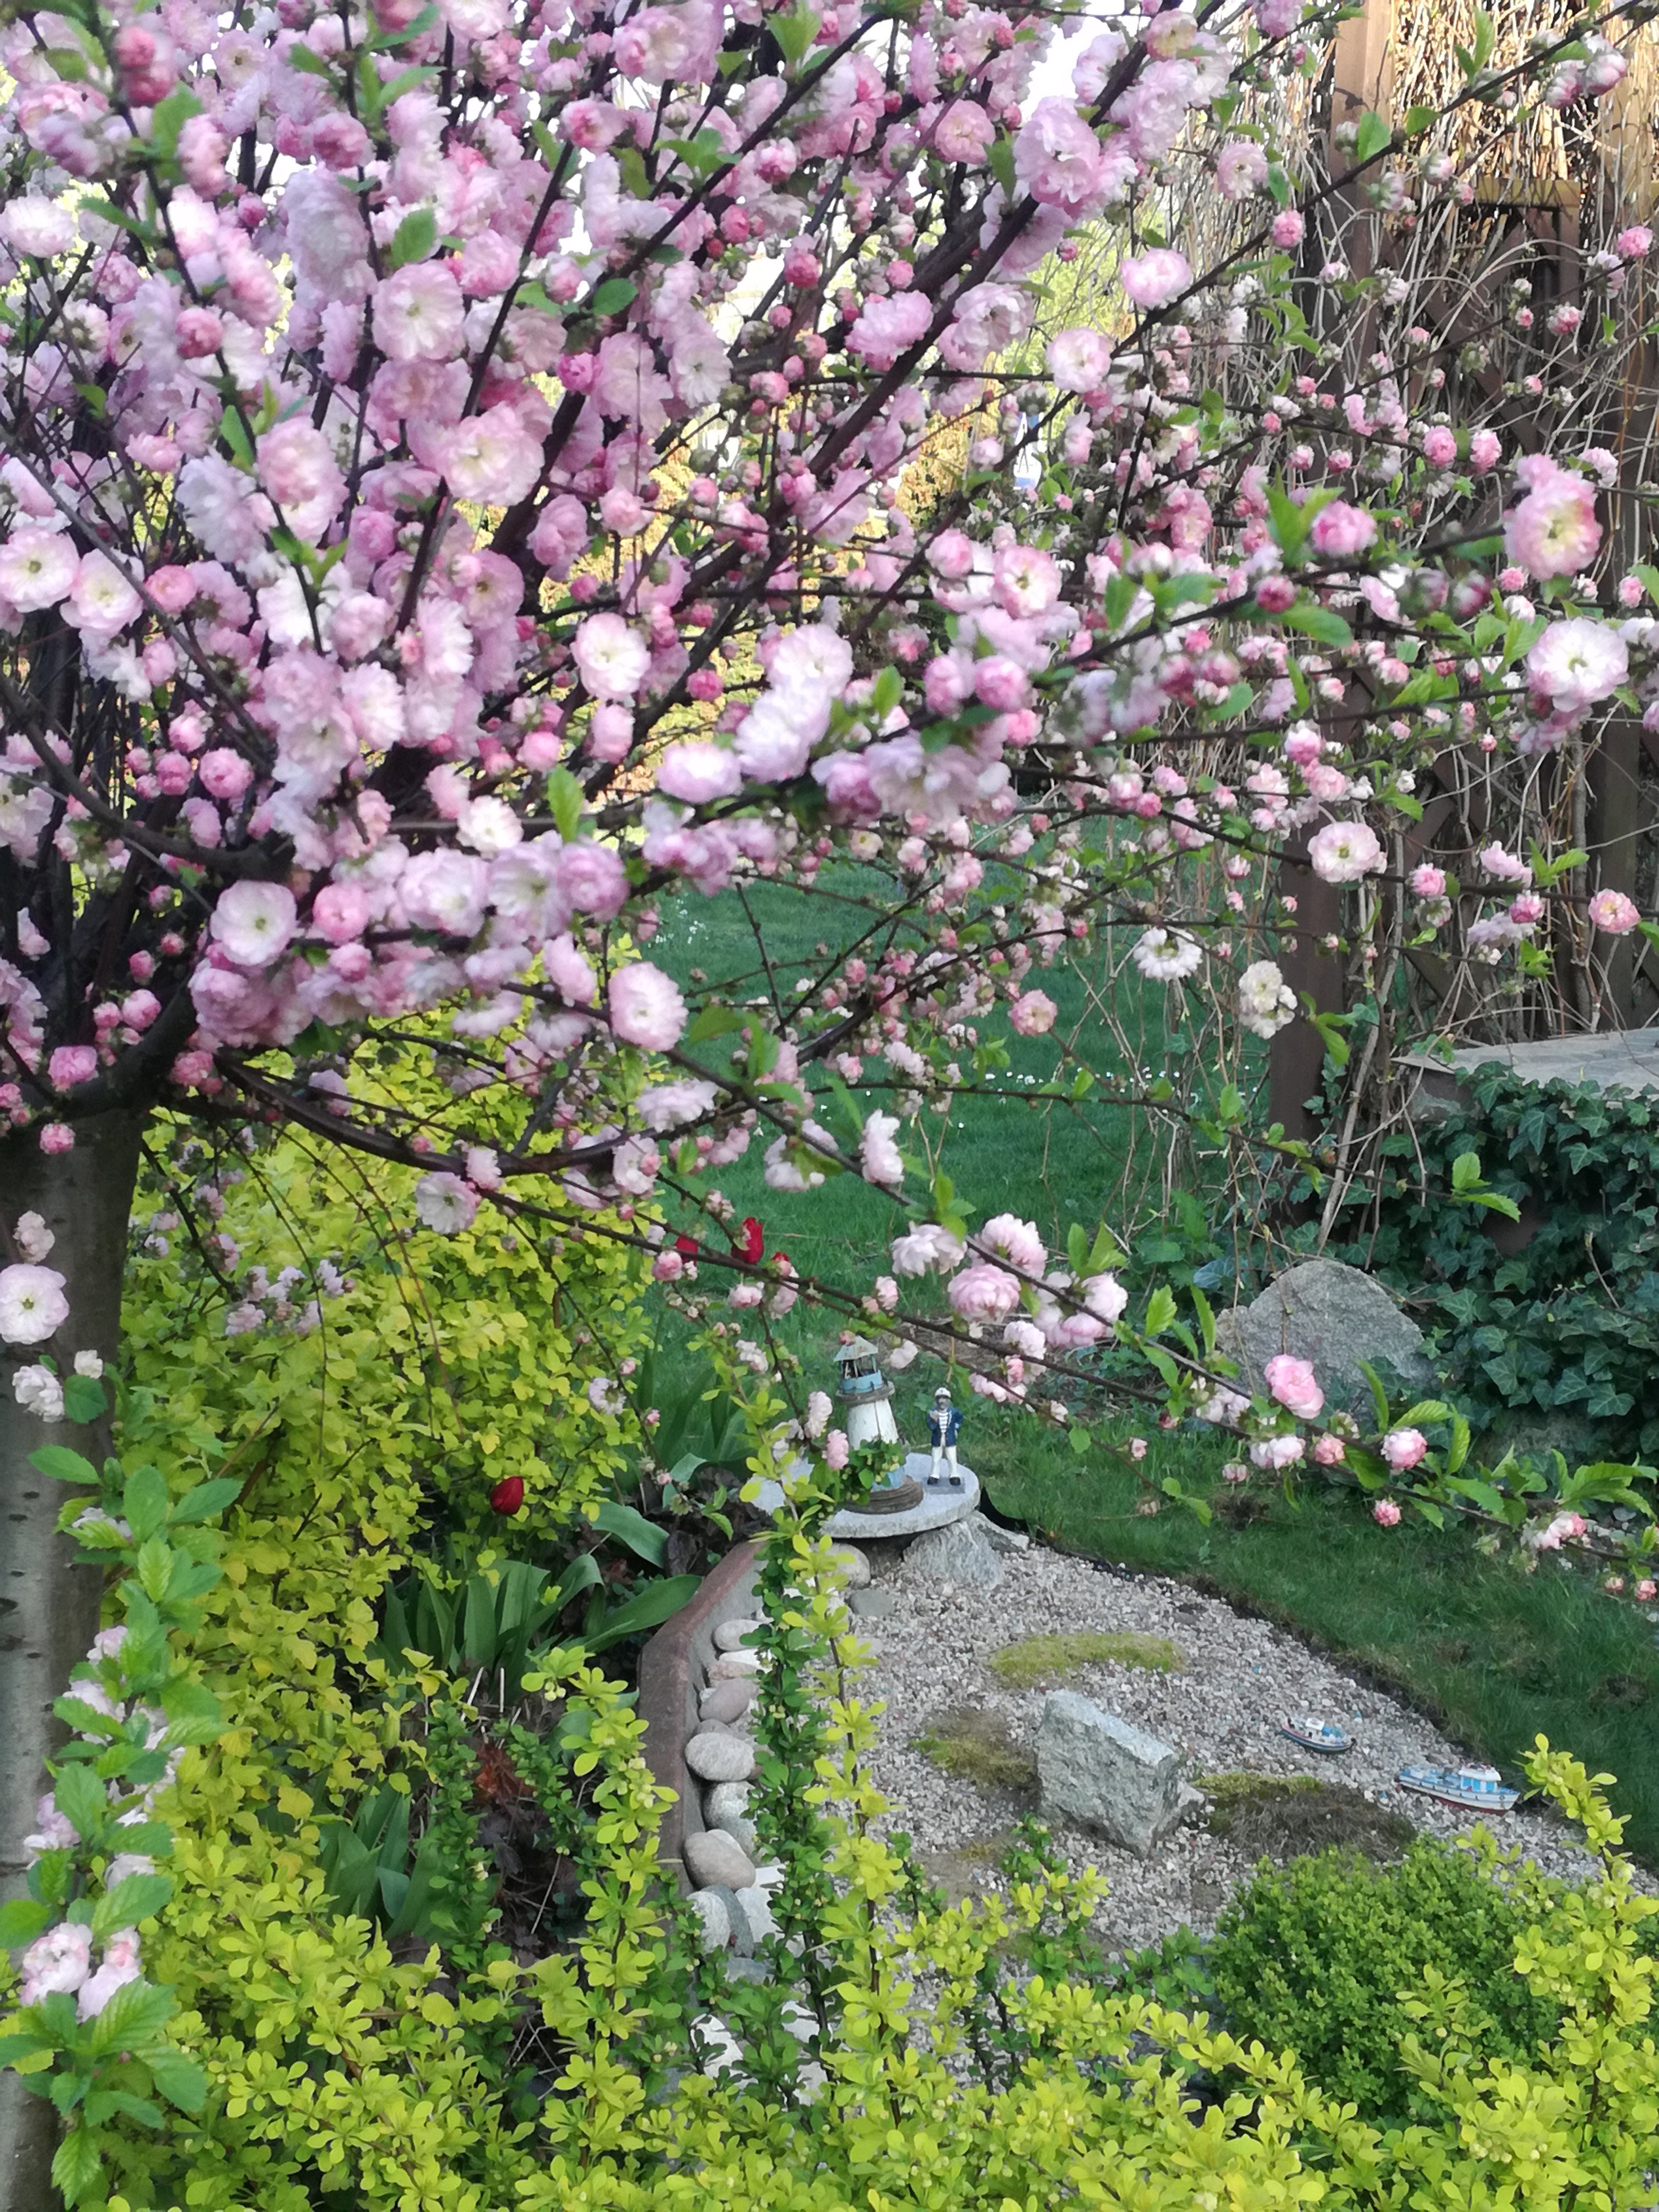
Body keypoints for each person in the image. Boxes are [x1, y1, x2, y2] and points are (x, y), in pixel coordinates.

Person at [927, 1387, 963, 1487]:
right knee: (936, 1458)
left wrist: (956, 1428)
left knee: (952, 1457)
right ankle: (934, 1475)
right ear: (937, 1401)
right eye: (940, 1398)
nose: (942, 1401)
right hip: (937, 1438)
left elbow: (960, 1418)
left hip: (950, 1438)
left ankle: (954, 1475)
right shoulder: (932, 1413)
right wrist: (933, 1420)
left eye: (945, 1398)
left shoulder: (953, 1412)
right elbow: (930, 1426)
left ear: (948, 1400)